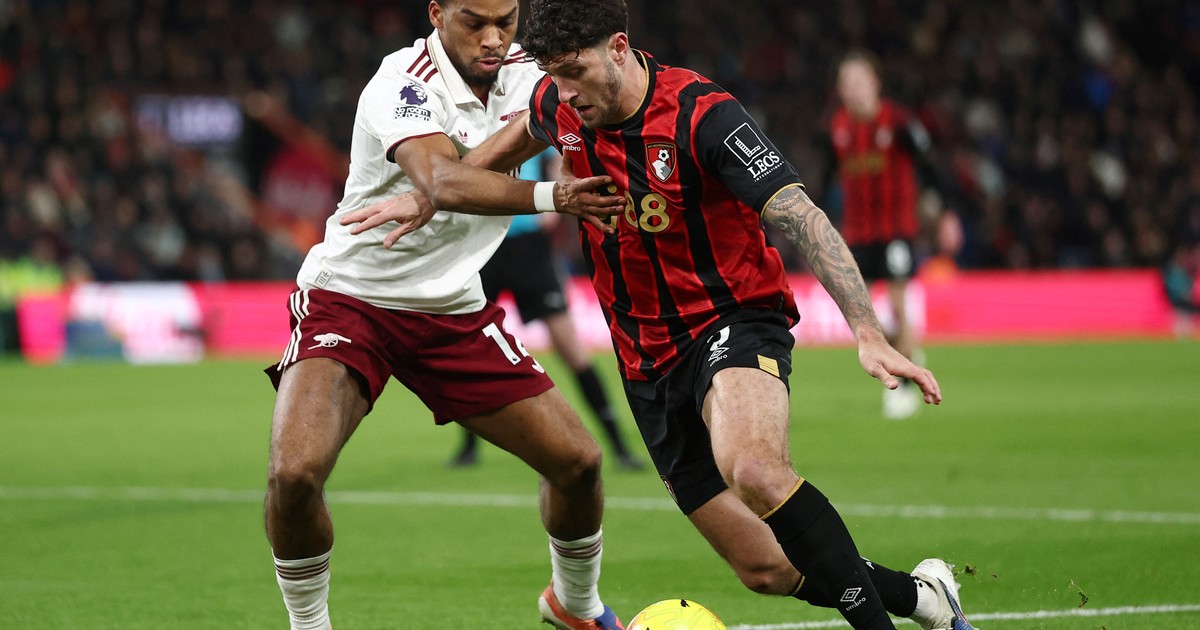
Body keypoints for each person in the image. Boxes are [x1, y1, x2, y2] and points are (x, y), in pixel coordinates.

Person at [342, 2, 976, 628]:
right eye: (554, 75)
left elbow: (801, 216)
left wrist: (868, 331)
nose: (565, 92)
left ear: (619, 48)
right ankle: (925, 598)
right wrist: (430, 197)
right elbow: (509, 142)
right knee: (766, 568)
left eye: (575, 72)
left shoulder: (704, 114)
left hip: (731, 317)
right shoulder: (558, 101)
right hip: (644, 357)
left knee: (755, 470)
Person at [261, 1, 628, 629]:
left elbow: (597, 91)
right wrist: (556, 195)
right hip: (353, 299)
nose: (493, 38)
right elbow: (442, 181)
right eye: (474, 22)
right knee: (294, 475)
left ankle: (575, 605)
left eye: (506, 21)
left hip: (453, 308)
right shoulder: (401, 82)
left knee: (578, 463)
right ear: (437, 14)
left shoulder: (531, 73)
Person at [451, 148, 646, 470]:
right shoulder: (475, 133)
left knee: (571, 350)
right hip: (483, 247)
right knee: (470, 348)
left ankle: (619, 446)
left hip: (530, 249)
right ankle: (468, 448)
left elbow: (558, 163)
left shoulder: (530, 131)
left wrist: (555, 200)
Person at [823, 50, 948, 419]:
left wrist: (946, 213)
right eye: (847, 83)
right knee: (860, 315)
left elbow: (931, 166)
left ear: (875, 83)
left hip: (896, 230)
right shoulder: (837, 128)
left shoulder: (899, 121)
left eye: (860, 81)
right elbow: (825, 180)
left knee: (897, 305)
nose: (854, 90)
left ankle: (904, 389)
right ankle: (906, 352)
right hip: (857, 234)